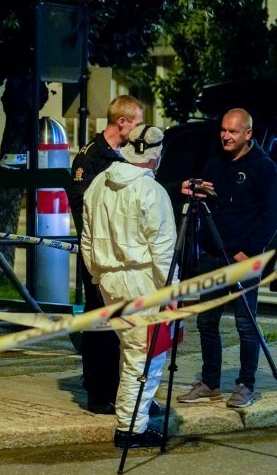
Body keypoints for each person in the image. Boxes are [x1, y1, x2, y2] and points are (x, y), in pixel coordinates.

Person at [81, 124, 176, 448]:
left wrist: (96, 276)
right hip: (142, 281)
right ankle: (131, 427)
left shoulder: (98, 186)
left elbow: (87, 239)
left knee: (131, 349)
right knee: (145, 355)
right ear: (153, 157)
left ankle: (130, 415)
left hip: (109, 280)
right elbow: (163, 252)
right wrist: (172, 293)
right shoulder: (152, 193)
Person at [177, 108, 277, 408]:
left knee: (245, 325)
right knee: (206, 321)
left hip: (244, 258)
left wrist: (250, 250)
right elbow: (208, 205)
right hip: (212, 255)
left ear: (248, 133)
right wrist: (192, 192)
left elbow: (271, 216)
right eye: (223, 130)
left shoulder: (265, 168)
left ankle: (246, 384)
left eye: (232, 132)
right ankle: (210, 382)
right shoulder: (213, 164)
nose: (225, 136)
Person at [69, 95, 144, 414]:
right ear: (122, 123)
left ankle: (119, 388)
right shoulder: (90, 159)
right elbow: (84, 212)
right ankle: (98, 392)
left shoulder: (125, 156)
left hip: (122, 256)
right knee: (100, 320)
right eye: (138, 123)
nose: (141, 131)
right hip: (99, 255)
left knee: (121, 321)